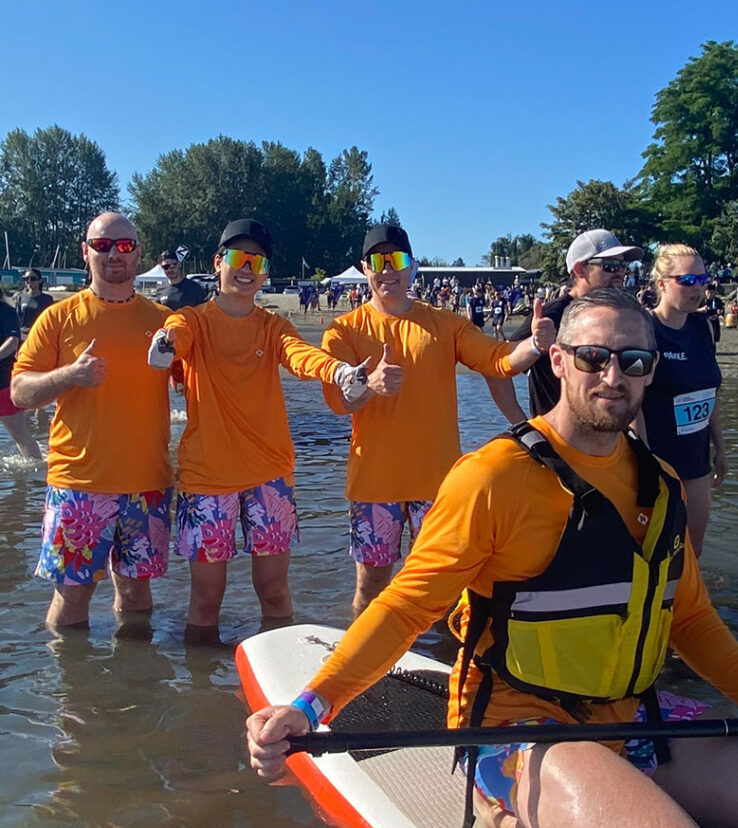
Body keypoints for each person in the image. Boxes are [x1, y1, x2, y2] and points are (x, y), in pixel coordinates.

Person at [247, 288, 738, 828]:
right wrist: (311, 706)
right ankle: (500, 812)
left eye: (633, 361)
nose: (613, 376)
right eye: (593, 356)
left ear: (653, 369)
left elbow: (690, 621)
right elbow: (402, 608)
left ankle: (628, 802)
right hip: (518, 724)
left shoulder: (661, 485)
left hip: (632, 715)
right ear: (559, 361)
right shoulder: (493, 479)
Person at [320, 224, 554, 617]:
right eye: (378, 261)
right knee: (372, 585)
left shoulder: (446, 324)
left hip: (440, 485)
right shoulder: (344, 330)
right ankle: (365, 670)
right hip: (374, 485)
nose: (387, 270)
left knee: (442, 589)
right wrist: (369, 384)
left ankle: (441, 665)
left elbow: (496, 359)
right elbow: (339, 402)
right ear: (364, 268)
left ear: (411, 266)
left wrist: (534, 345)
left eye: (396, 260)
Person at [147, 219, 348, 643]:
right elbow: (175, 338)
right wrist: (164, 345)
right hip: (206, 479)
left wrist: (339, 370)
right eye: (238, 258)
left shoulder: (273, 327)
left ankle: (282, 673)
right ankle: (201, 694)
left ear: (265, 273)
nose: (246, 268)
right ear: (219, 263)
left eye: (256, 262)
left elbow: (300, 357)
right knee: (206, 597)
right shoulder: (193, 320)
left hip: (269, 477)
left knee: (273, 591)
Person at [10, 212, 174, 629]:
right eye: (102, 246)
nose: (113, 255)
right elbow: (19, 392)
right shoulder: (59, 317)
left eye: (124, 246)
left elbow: (199, 382)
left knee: (137, 595)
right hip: (78, 485)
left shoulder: (163, 323)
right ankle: (73, 693)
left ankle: (135, 687)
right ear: (86, 251)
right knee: (71, 599)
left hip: (147, 483)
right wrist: (70, 375)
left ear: (138, 252)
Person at [637, 244, 725, 558]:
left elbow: (709, 392)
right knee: (654, 551)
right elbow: (634, 402)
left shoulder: (702, 326)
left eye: (703, 279)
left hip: (697, 459)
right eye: (688, 280)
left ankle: (688, 606)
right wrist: (645, 461)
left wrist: (721, 447)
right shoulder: (644, 329)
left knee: (692, 551)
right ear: (661, 283)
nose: (698, 288)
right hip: (656, 459)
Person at [505, 229, 643, 415]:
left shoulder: (620, 314)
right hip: (556, 436)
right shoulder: (551, 315)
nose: (619, 273)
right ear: (580, 270)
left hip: (608, 434)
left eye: (622, 265)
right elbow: (498, 368)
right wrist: (522, 427)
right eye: (610, 266)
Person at [1, 293, 43, 460]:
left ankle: (37, 474)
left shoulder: (6, 311)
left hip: (3, 383)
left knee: (20, 435)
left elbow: (12, 341)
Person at [15, 268, 55, 333]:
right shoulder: (20, 297)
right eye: (26, 279)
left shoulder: (47, 299)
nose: (29, 281)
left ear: (40, 281)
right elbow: (17, 319)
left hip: (40, 334)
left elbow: (51, 320)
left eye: (33, 279)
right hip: (23, 335)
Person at [697, 283, 725, 348]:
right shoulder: (701, 301)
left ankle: (713, 349)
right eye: (708, 293)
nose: (709, 294)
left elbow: (721, 310)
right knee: (703, 338)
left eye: (711, 293)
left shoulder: (718, 301)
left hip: (714, 321)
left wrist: (719, 313)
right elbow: (693, 310)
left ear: (714, 292)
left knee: (714, 338)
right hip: (704, 321)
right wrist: (701, 310)